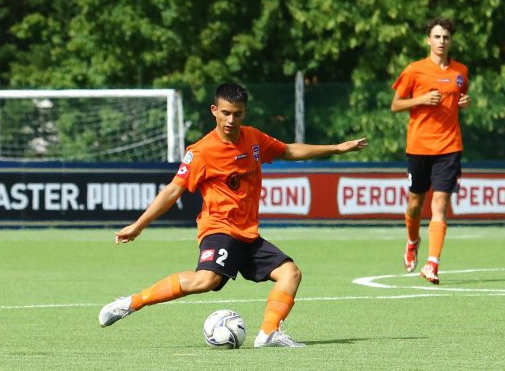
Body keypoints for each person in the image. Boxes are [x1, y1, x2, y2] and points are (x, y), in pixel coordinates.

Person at [98, 83, 369, 347]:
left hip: (248, 234)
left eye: (237, 114)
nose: (231, 119)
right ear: (214, 110)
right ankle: (130, 303)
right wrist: (138, 225)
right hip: (219, 230)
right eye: (226, 113)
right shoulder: (201, 151)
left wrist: (336, 148)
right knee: (206, 280)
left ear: (244, 113)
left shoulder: (253, 138)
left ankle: (268, 334)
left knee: (290, 273)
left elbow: (288, 150)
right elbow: (172, 191)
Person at [391, 17, 471, 284]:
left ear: (451, 41)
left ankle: (432, 264)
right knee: (416, 205)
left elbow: (461, 97)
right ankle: (412, 241)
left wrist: (465, 102)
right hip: (419, 146)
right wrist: (422, 99)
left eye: (446, 37)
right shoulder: (415, 70)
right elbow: (396, 104)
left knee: (441, 205)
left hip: (449, 146)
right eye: (437, 37)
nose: (441, 41)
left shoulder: (460, 71)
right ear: (428, 40)